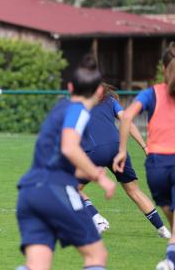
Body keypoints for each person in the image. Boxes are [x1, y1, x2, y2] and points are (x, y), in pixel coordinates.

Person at [16, 57, 116, 270]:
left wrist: (85, 170)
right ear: (100, 92)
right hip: (56, 190)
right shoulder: (78, 111)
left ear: (70, 87)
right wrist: (100, 177)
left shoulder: (59, 108)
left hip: (28, 193)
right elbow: (69, 148)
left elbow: (57, 155)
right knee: (96, 255)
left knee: (37, 265)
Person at [78, 82, 170, 238]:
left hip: (96, 151)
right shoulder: (110, 100)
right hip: (118, 149)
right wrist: (144, 146)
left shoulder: (80, 103)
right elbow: (128, 121)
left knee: (71, 188)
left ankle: (97, 219)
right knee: (134, 191)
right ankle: (163, 230)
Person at [113, 43, 175, 269]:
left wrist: (121, 150)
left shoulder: (151, 93)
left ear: (162, 67)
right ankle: (170, 261)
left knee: (172, 217)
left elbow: (127, 116)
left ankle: (171, 259)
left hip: (156, 165)